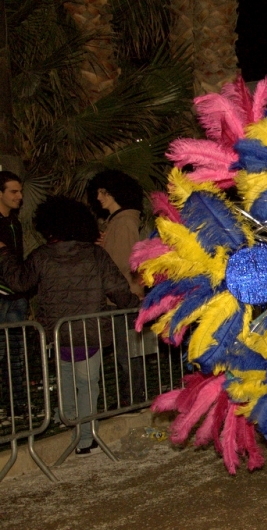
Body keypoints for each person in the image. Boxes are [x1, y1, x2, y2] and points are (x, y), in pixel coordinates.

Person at [0, 196, 140, 455]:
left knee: (67, 381)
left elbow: (19, 282)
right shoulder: (95, 254)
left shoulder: (42, 256)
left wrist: (4, 254)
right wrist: (139, 306)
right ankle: (86, 438)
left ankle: (72, 425)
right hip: (90, 331)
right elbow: (118, 290)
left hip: (57, 333)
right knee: (88, 384)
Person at [87, 170, 145, 405]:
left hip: (123, 298)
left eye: (103, 192)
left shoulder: (123, 222)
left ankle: (132, 397)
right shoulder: (119, 221)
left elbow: (120, 262)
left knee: (127, 353)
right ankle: (130, 396)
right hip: (123, 296)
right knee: (126, 351)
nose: (99, 197)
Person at [0, 171, 28, 419]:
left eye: (20, 191)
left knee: (15, 351)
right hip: (3, 295)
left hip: (16, 294)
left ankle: (16, 404)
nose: (19, 196)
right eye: (13, 191)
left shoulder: (14, 223)